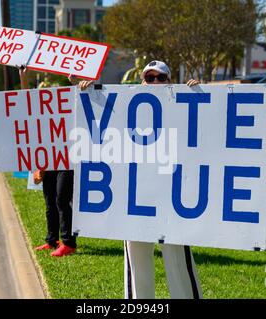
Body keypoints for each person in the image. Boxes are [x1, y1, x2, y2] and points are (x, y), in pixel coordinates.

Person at [77, 60, 202, 299]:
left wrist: (200, 95)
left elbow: (204, 132)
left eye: (160, 77)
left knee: (177, 258)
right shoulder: (126, 103)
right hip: (134, 196)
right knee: (137, 259)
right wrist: (89, 93)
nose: (155, 82)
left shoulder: (182, 102)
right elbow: (103, 121)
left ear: (170, 80)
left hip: (171, 196)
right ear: (142, 80)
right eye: (150, 77)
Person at [18, 66, 77, 257]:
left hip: (67, 159)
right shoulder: (41, 114)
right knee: (50, 200)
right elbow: (26, 101)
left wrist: (75, 83)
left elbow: (84, 102)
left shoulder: (70, 109)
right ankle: (52, 240)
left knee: (61, 198)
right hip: (49, 159)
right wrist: (23, 77)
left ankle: (68, 242)